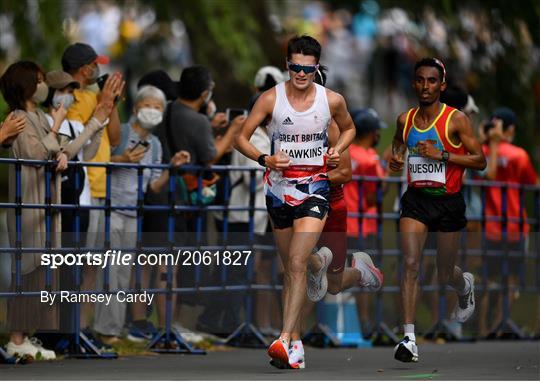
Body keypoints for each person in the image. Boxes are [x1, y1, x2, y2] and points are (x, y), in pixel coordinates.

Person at [235, 35, 356, 369]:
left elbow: (349, 129)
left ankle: (284, 338)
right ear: (287, 64)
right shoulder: (270, 99)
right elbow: (240, 138)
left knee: (298, 261)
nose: (301, 73)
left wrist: (337, 149)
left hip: (314, 188)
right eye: (295, 67)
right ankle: (297, 344)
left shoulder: (331, 100)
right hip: (277, 190)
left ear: (316, 67)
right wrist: (265, 159)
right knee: (290, 267)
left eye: (307, 68)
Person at [389, 58, 486, 362]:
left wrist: (443, 155)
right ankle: (408, 338)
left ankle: (464, 285)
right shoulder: (405, 120)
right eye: (420, 80)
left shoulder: (455, 120)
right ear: (414, 83)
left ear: (441, 85)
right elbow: (397, 146)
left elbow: (480, 160)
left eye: (432, 81)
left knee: (444, 273)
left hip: (448, 203)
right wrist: (394, 159)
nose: (425, 86)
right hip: (416, 201)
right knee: (411, 263)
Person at [287, 70, 383, 368]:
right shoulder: (288, 125)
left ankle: (361, 271)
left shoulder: (333, 129)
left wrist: (314, 175)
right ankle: (291, 341)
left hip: (334, 208)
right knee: (295, 266)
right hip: (300, 205)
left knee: (335, 285)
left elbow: (345, 174)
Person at [92, 85, 190, 344]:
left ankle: (112, 328)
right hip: (111, 208)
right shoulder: (121, 133)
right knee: (110, 271)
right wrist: (124, 158)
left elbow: (153, 186)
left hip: (134, 213)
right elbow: (102, 161)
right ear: (136, 108)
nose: (152, 111)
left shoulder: (155, 145)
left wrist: (172, 167)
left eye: (158, 108)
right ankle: (105, 330)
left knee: (123, 273)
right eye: (148, 105)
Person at [0, 60, 69, 360]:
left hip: (46, 203)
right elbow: (35, 152)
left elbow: (55, 148)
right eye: (39, 80)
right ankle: (16, 338)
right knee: (28, 269)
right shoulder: (19, 117)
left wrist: (62, 153)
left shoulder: (38, 116)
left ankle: (26, 335)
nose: (43, 86)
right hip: (28, 204)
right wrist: (55, 127)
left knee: (42, 271)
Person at [61, 42, 124, 332]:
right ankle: (72, 327)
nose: (99, 69)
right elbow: (74, 136)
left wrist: (111, 103)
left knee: (92, 263)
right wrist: (101, 104)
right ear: (86, 68)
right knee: (80, 262)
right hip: (83, 188)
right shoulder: (74, 98)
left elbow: (113, 138)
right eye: (94, 64)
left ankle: (83, 328)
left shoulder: (94, 96)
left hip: (99, 186)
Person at [479, 107, 538, 337]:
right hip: (514, 225)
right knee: (511, 280)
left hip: (490, 225)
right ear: (510, 129)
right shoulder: (519, 155)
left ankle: (483, 330)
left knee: (487, 280)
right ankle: (499, 326)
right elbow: (531, 182)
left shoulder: (482, 151)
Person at [343, 108, 387, 338]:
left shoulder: (344, 151)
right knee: (365, 275)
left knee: (331, 273)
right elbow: (374, 196)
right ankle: (365, 324)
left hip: (342, 223)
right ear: (371, 133)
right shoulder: (370, 158)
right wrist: (387, 171)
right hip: (362, 225)